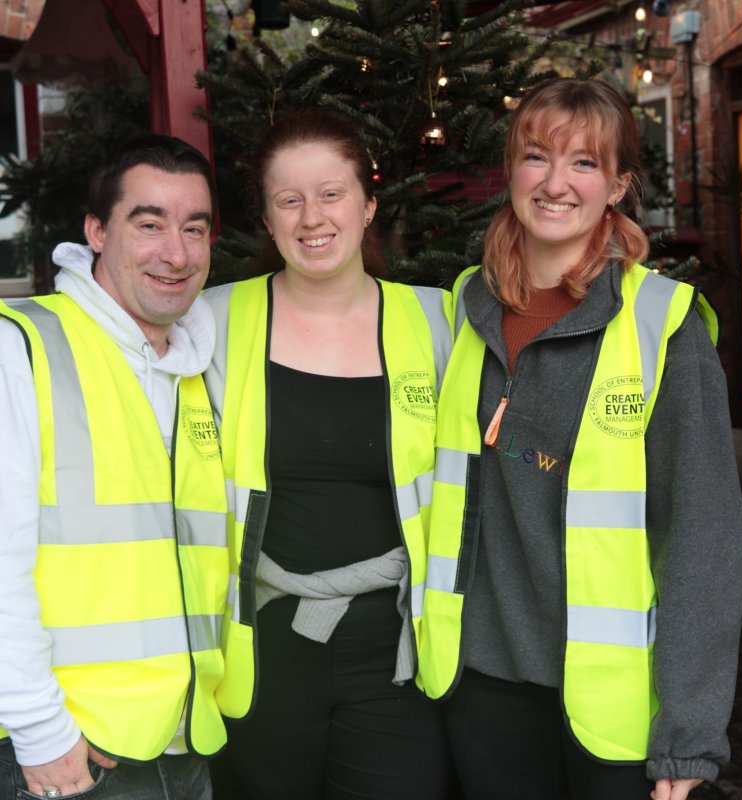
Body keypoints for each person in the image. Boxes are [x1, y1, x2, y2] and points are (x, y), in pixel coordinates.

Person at [417, 78, 742, 800]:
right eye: (537, 157)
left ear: (619, 183)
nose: (556, 183)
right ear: (509, 170)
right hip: (483, 683)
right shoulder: (463, 310)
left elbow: (704, 539)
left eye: (585, 164)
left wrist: (689, 738)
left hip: (612, 703)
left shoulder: (664, 327)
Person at [203, 109, 455, 800]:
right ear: (267, 216)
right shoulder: (211, 322)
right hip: (260, 654)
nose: (312, 216)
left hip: (397, 655)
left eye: (331, 193)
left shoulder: (437, 321)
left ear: (368, 204)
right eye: (290, 199)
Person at [0, 135, 229, 800]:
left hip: (181, 740)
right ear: (96, 231)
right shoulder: (24, 346)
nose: (176, 253)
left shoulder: (194, 368)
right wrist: (43, 733)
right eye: (149, 223)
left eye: (195, 228)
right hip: (69, 754)